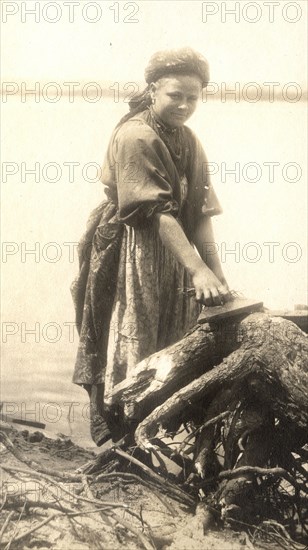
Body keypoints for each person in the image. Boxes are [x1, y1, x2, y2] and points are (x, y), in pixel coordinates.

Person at [71, 47, 229, 445]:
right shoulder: (136, 135)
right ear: (154, 89)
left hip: (173, 247)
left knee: (174, 341)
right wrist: (197, 269)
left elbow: (201, 215)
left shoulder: (188, 139)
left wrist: (218, 276)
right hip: (131, 245)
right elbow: (157, 213)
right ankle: (118, 443)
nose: (185, 105)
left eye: (193, 98)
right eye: (176, 95)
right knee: (127, 336)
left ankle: (151, 433)